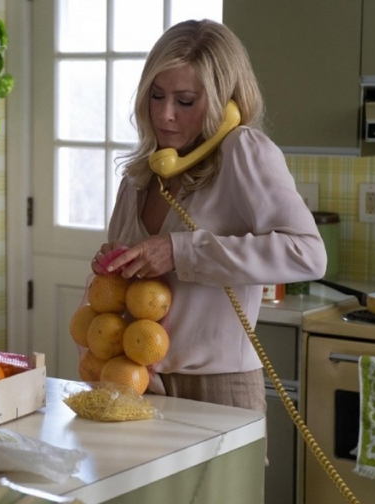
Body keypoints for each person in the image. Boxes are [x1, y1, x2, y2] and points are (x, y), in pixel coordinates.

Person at [92, 19, 327, 414]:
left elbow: (308, 255)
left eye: (185, 101)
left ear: (224, 103)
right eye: (156, 96)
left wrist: (180, 252)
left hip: (219, 387)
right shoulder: (141, 173)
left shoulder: (244, 152)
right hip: (138, 380)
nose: (165, 115)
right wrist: (114, 262)